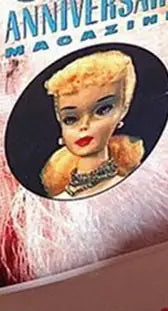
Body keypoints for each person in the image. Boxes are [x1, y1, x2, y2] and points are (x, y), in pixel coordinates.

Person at [42, 51, 145, 200]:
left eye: (102, 110)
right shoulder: (59, 200)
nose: (84, 126)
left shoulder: (131, 190)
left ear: (123, 110)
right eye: (70, 119)